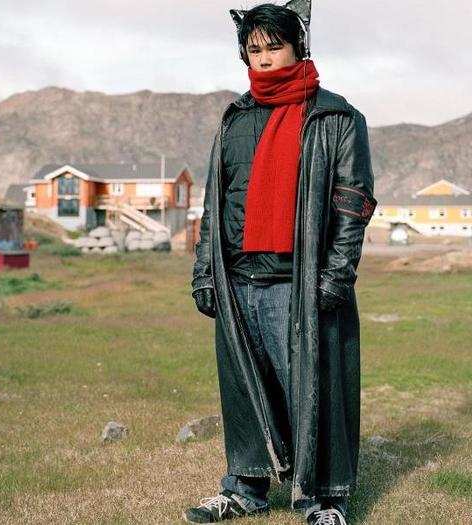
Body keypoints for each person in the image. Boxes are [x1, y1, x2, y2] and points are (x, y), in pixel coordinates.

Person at [185, 1, 376, 524]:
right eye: (254, 50)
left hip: (301, 283)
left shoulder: (336, 117)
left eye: (275, 47)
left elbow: (351, 205)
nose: (265, 59)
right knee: (244, 388)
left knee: (314, 391)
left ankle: (323, 500)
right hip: (239, 280)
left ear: (298, 47)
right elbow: (214, 202)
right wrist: (205, 272)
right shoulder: (235, 118)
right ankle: (244, 489)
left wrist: (335, 279)